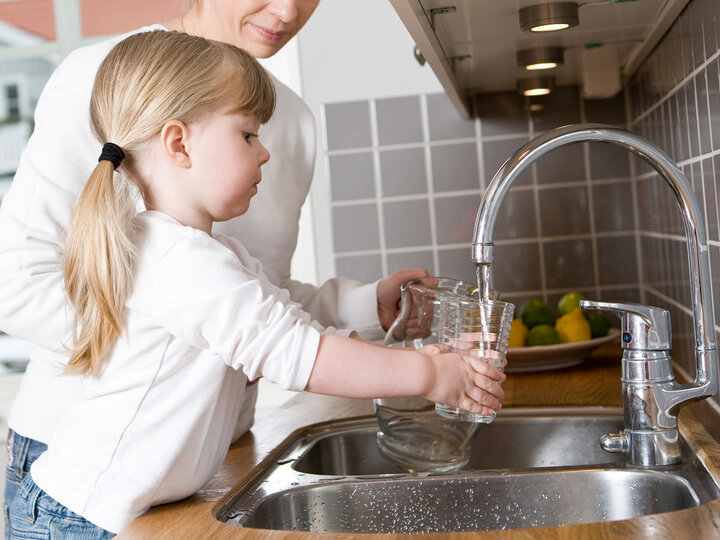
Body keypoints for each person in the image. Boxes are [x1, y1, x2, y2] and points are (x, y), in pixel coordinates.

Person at [6, 31, 505, 538]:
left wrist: (395, 326)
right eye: (247, 135)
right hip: (77, 521)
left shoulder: (206, 253)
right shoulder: (180, 261)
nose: (264, 153)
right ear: (179, 144)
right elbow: (298, 354)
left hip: (103, 510)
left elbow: (282, 314)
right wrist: (429, 375)